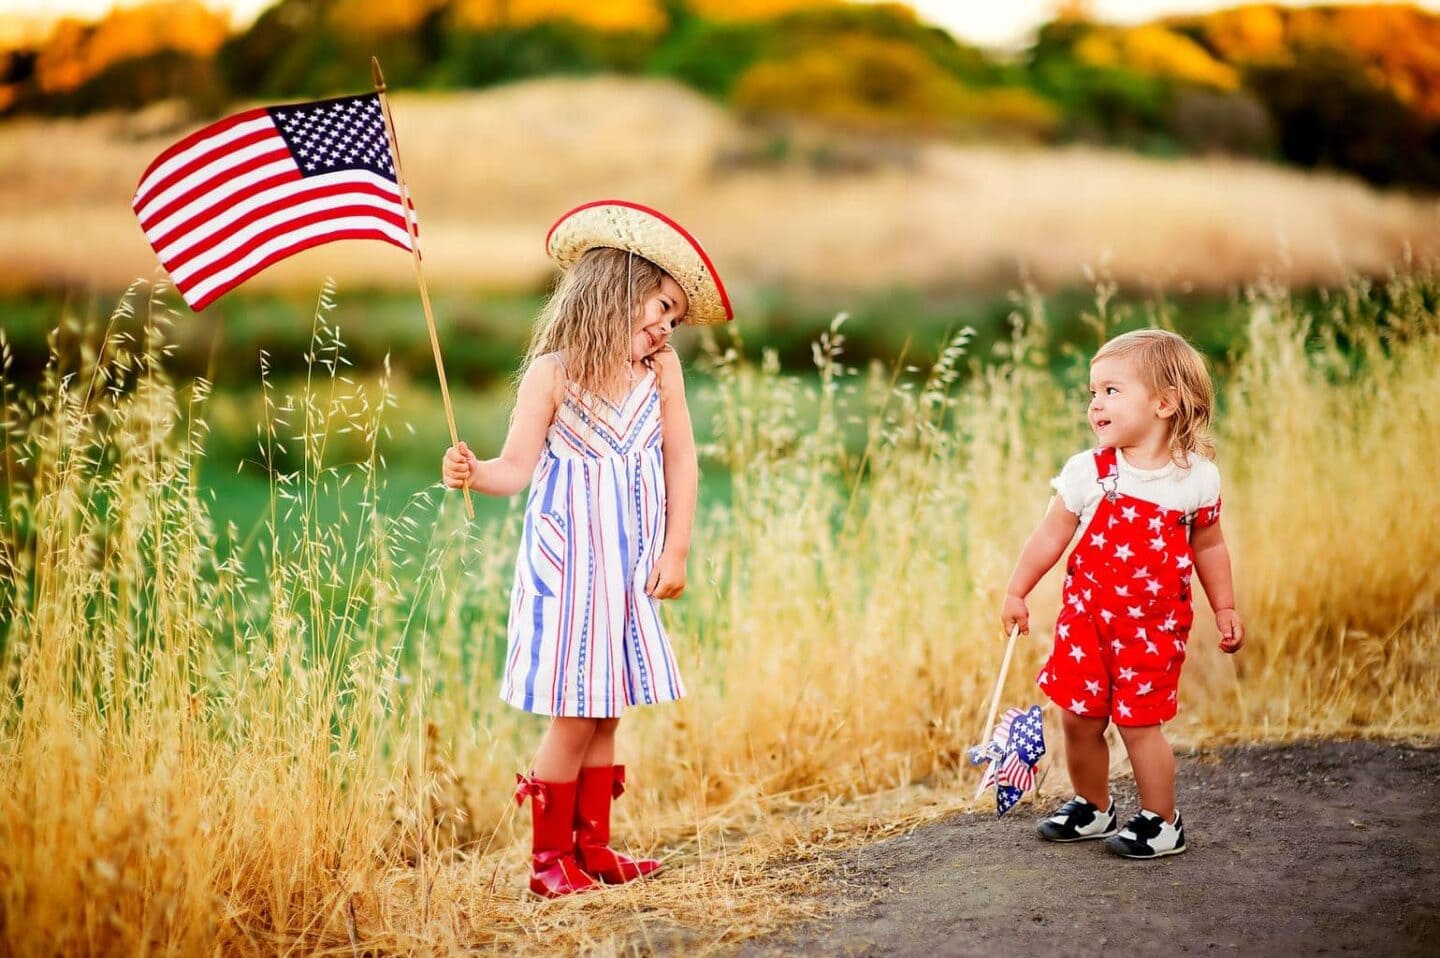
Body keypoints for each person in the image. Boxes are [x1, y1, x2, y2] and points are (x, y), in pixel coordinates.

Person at [441, 200, 733, 896]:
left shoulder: (661, 374)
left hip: (630, 567)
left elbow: (682, 462)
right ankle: (548, 864)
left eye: (674, 320)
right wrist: (476, 473)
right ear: (618, 290)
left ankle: (592, 848)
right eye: (661, 307)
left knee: (607, 707)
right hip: (569, 570)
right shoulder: (554, 373)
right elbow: (514, 468)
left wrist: (677, 549)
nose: (666, 326)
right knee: (575, 711)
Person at [1000, 329, 1243, 859]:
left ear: (1164, 401)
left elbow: (1209, 546)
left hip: (1151, 631)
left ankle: (1161, 820)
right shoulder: (1089, 472)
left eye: (1112, 391)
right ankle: (1092, 804)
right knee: (1078, 716)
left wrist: (1223, 605)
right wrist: (1018, 591)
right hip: (1086, 623)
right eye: (1093, 392)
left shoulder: (1195, 480)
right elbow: (1050, 536)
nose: (1096, 404)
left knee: (1139, 724)